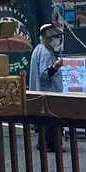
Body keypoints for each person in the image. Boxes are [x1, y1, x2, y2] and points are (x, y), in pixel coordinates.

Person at [29, 23, 65, 153]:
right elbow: (44, 74)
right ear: (48, 39)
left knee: (44, 119)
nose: (56, 40)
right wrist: (55, 66)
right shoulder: (45, 53)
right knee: (51, 119)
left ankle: (43, 143)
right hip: (48, 91)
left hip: (41, 91)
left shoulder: (39, 49)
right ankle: (51, 145)